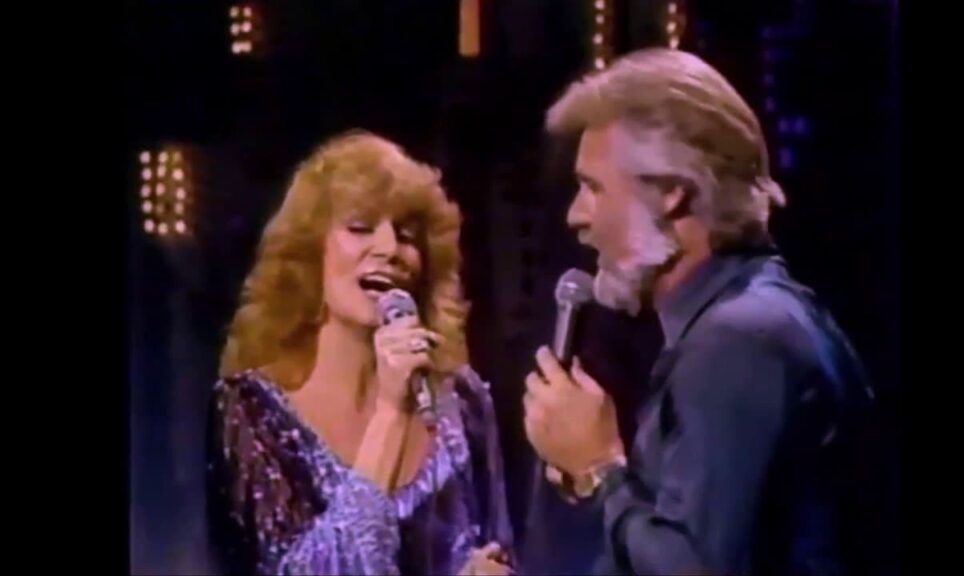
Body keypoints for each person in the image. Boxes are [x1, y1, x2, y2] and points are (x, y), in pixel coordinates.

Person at [522, 48, 891, 575]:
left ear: (671, 192)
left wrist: (599, 469)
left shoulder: (741, 341)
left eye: (593, 188)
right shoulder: (743, 321)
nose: (576, 216)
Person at [206, 132, 514, 576]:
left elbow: (501, 551)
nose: (389, 249)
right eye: (360, 228)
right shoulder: (250, 410)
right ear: (311, 251)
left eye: (406, 235)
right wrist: (391, 412)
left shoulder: (462, 402)